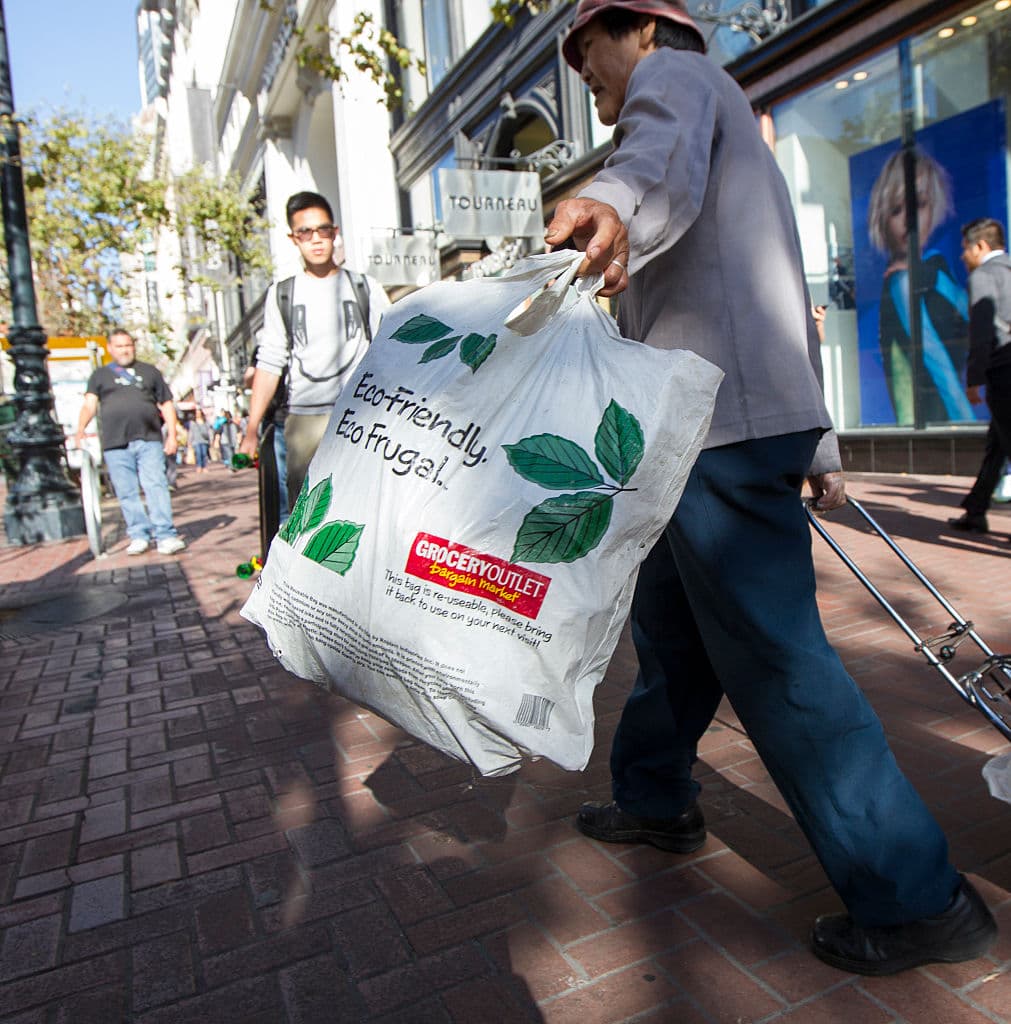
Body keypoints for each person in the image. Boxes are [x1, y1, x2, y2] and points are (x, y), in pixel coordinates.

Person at [546, 0, 996, 976]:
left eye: (593, 58)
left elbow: (646, 165)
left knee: (779, 662)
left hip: (717, 426)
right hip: (721, 420)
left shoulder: (673, 84)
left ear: (645, 31)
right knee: (671, 627)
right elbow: (778, 284)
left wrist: (614, 202)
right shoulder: (730, 110)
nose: (592, 78)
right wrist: (822, 442)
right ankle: (655, 795)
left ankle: (916, 897)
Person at [237, 190, 389, 504]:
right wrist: (251, 429)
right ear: (294, 238)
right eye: (306, 232)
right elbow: (270, 362)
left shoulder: (364, 287)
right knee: (305, 513)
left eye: (323, 230)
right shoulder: (283, 294)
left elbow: (391, 347)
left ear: (335, 234)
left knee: (364, 505)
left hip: (359, 415)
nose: (316, 239)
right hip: (304, 421)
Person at [868, 148, 973, 425]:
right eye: (896, 209)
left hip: (943, 415)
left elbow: (973, 315)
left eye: (920, 204)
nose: (909, 219)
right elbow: (939, 366)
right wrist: (969, 424)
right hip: (932, 417)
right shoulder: (902, 284)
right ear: (882, 218)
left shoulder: (935, 272)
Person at [73, 329, 186, 555]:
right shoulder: (99, 376)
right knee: (126, 492)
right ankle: (138, 534)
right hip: (115, 444)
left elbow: (166, 404)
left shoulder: (150, 372)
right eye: (120, 345)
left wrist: (172, 435)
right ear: (110, 348)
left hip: (149, 439)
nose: (125, 350)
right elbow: (89, 404)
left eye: (128, 345)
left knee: (156, 485)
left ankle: (165, 535)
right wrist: (80, 429)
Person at [958, 217, 1011, 531]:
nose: (963, 255)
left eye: (966, 248)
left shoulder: (983, 277)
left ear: (980, 246)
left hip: (1003, 371)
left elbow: (982, 330)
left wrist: (974, 376)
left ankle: (976, 511)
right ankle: (976, 510)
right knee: (999, 442)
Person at [189, 408, 211, 474]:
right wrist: (189, 441)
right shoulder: (193, 422)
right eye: (197, 413)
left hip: (204, 440)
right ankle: (199, 466)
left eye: (199, 413)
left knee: (204, 454)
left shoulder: (205, 421)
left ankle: (204, 467)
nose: (198, 414)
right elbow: (191, 432)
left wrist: (211, 439)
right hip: (196, 441)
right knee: (198, 454)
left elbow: (209, 431)